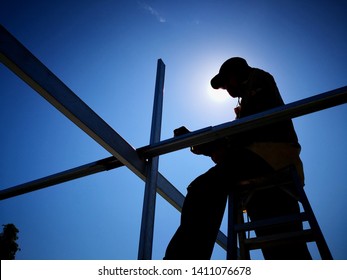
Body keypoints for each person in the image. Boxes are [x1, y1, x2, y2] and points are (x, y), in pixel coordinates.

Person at [164, 57, 312, 260]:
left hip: (268, 158)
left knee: (204, 188)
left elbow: (245, 134)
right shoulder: (247, 100)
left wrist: (205, 142)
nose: (226, 89)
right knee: (282, 247)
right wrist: (202, 142)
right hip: (264, 167)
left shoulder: (258, 80)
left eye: (225, 83)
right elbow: (235, 142)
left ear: (235, 74)